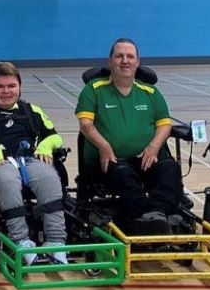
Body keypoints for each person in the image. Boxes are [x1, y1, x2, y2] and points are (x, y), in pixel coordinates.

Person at [0, 62, 68, 264]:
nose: (6, 91)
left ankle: (56, 241)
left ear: (19, 87)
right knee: (8, 182)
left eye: (11, 86)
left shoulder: (31, 110)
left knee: (51, 178)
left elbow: (56, 137)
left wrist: (45, 145)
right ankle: (21, 241)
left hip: (30, 159)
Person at [75, 38, 183, 233]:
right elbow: (86, 124)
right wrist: (104, 147)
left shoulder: (150, 91)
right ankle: (146, 216)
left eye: (130, 56)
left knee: (170, 170)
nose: (125, 61)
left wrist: (153, 147)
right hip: (111, 161)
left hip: (145, 158)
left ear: (137, 62)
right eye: (119, 56)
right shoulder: (93, 89)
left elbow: (165, 125)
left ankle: (157, 214)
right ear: (110, 61)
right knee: (123, 175)